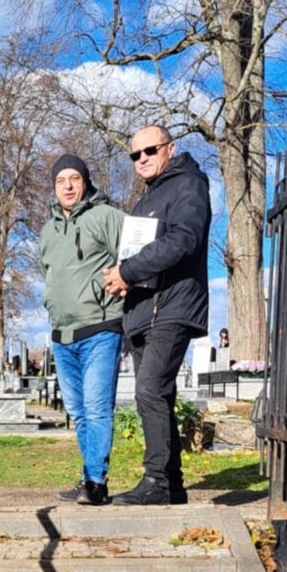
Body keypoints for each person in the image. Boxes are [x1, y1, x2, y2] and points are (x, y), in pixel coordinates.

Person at [103, 125, 210, 505]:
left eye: (150, 150)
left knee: (150, 390)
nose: (142, 159)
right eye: (135, 155)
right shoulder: (146, 199)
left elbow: (185, 239)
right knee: (157, 394)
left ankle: (157, 483)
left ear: (170, 148)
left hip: (173, 307)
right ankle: (172, 485)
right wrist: (122, 278)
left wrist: (128, 271)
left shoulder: (189, 185)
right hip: (145, 310)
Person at [40, 153, 126, 506]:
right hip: (62, 335)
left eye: (74, 178)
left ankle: (96, 481)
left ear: (85, 182)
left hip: (100, 328)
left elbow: (138, 252)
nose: (68, 186)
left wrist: (126, 281)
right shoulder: (48, 230)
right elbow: (49, 273)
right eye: (61, 181)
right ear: (54, 188)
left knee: (96, 407)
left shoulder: (106, 217)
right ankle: (89, 476)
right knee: (77, 412)